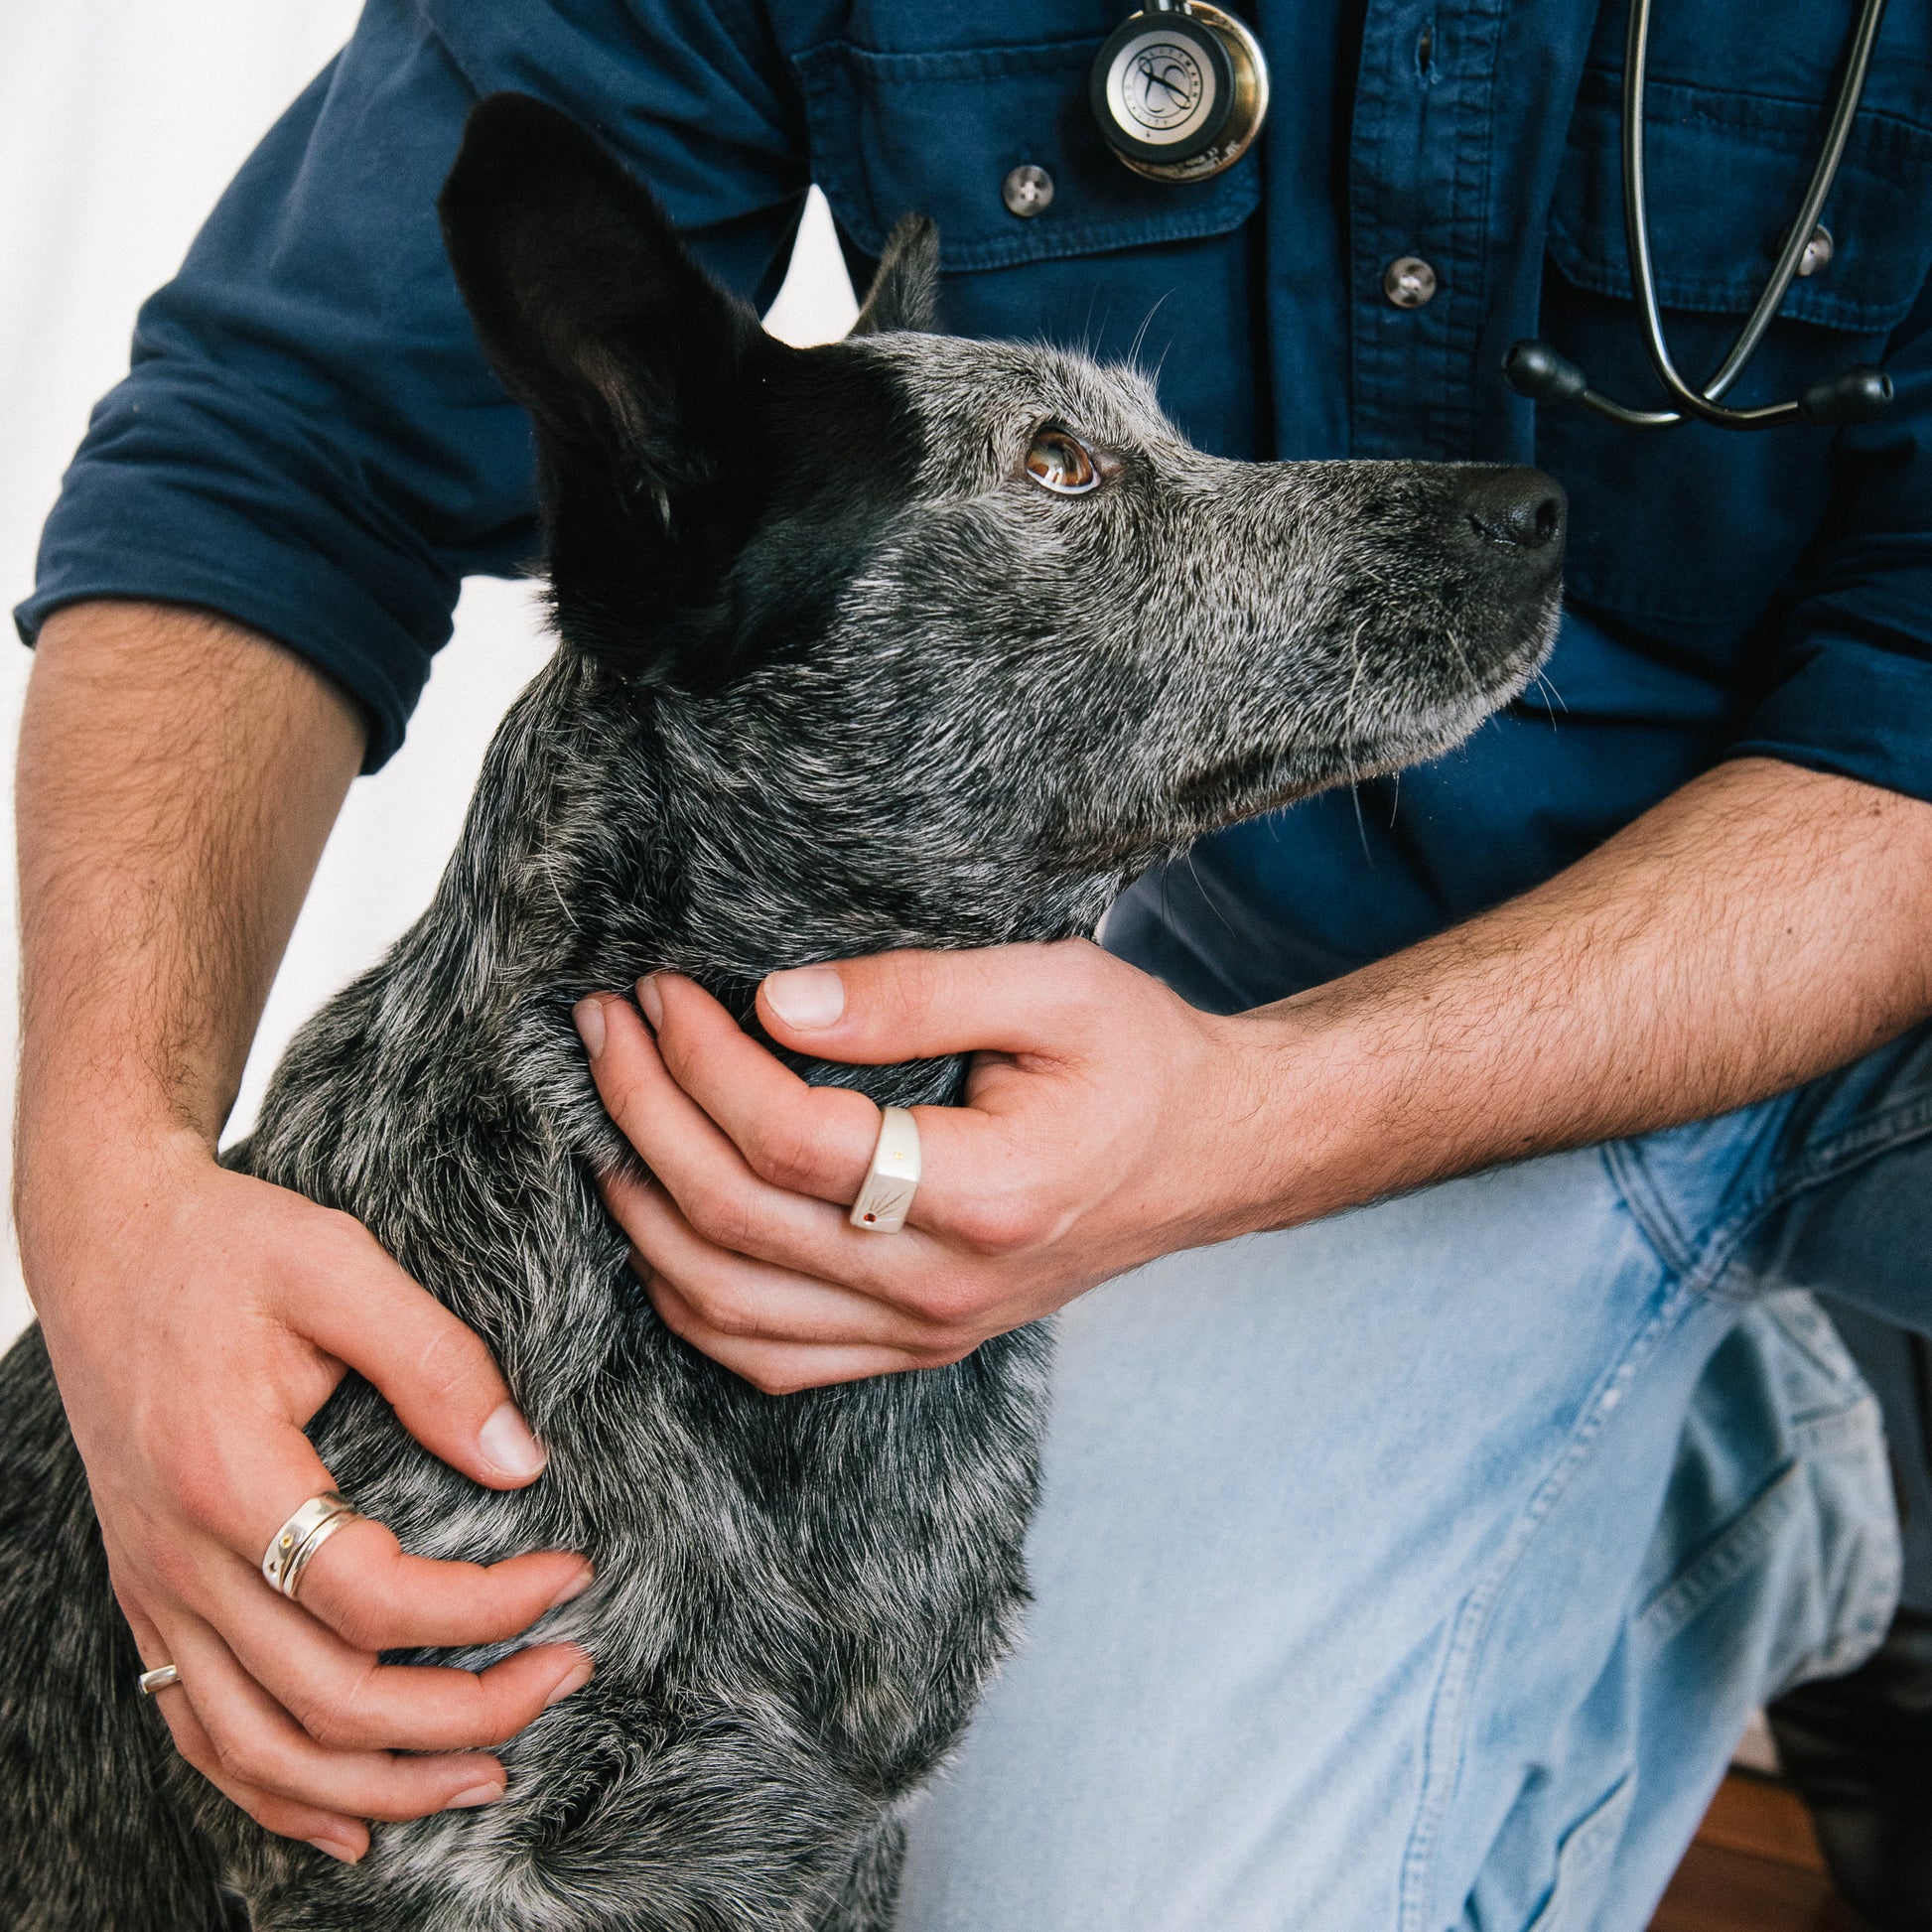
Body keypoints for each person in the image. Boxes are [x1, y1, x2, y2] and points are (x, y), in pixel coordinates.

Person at [12, 1, 1932, 1924]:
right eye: (1079, 481)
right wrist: (99, 1181)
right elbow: (286, 435)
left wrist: (1255, 1129)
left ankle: (1849, 1465)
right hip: (1302, 965)